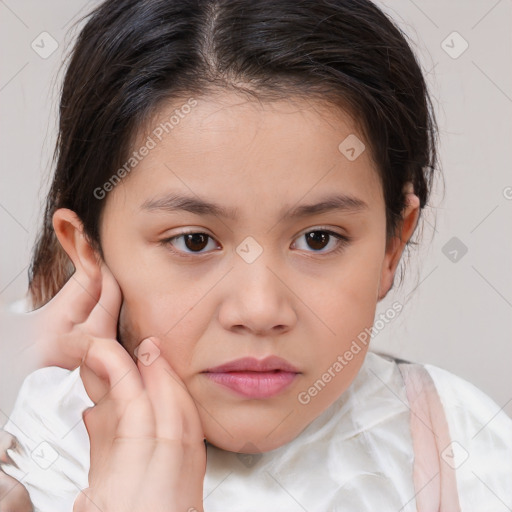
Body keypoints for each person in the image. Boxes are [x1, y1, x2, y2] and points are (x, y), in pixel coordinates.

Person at [0, 0, 510, 510]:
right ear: (90, 252)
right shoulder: (31, 463)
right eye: (194, 241)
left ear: (392, 245)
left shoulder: (464, 449)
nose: (260, 310)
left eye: (318, 239)